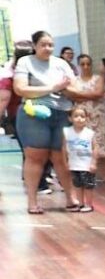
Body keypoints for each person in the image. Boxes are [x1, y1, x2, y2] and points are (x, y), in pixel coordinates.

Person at [13, 31, 79, 212]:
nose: (47, 48)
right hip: (35, 114)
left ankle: (71, 197)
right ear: (34, 46)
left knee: (61, 157)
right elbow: (21, 89)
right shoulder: (25, 62)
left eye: (50, 45)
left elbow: (74, 87)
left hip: (61, 113)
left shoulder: (61, 64)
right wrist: (53, 88)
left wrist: (67, 90)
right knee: (36, 156)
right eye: (43, 44)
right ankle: (32, 202)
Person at [65, 55, 105, 188]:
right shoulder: (74, 80)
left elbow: (99, 93)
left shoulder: (98, 78)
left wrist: (80, 95)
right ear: (79, 65)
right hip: (81, 117)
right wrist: (90, 95)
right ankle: (84, 173)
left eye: (88, 64)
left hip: (98, 115)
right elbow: (70, 95)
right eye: (82, 64)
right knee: (82, 143)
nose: (85, 66)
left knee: (102, 142)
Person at [62, 105, 98, 213]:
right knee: (77, 185)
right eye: (76, 116)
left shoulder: (89, 133)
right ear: (70, 118)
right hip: (74, 165)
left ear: (87, 118)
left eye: (82, 116)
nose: (79, 118)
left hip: (86, 166)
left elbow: (95, 148)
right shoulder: (67, 132)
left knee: (88, 186)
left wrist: (93, 163)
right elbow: (64, 148)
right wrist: (65, 162)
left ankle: (89, 204)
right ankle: (80, 204)